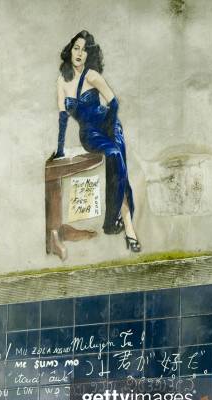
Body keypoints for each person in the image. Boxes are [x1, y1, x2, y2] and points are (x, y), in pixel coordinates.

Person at [52, 30, 141, 252]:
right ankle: (113, 223)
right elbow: (63, 118)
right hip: (90, 134)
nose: (80, 53)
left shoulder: (91, 75)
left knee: (119, 166)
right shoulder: (62, 81)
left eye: (85, 50)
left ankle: (126, 226)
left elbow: (114, 103)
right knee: (113, 156)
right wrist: (60, 150)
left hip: (109, 126)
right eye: (76, 48)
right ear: (70, 50)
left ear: (89, 55)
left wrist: (110, 129)